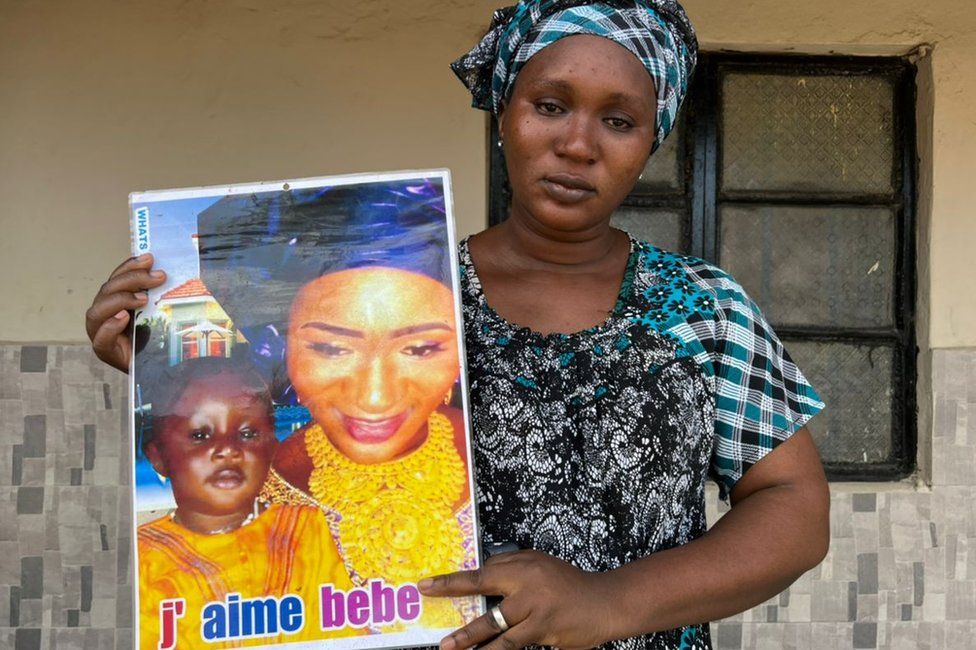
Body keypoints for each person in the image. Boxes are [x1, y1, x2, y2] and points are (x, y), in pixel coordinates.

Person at [86, 1, 831, 648]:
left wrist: (613, 602)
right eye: (549, 105)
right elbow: (264, 458)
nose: (578, 144)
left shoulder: (703, 309)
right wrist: (161, 367)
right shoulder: (403, 297)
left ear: (651, 141)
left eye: (619, 120)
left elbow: (792, 505)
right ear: (504, 110)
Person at [136, 357, 356, 648]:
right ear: (158, 457)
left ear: (272, 447)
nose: (228, 449)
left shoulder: (317, 528)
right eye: (201, 435)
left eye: (248, 433)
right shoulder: (145, 557)